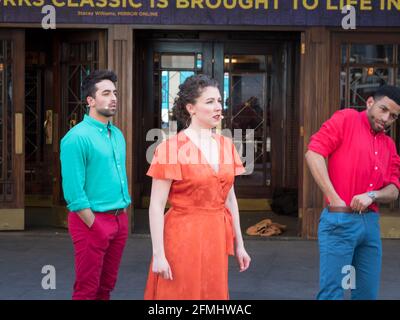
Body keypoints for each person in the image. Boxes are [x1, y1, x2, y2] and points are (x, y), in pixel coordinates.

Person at [144, 74, 251, 300]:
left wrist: (239, 244)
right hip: (182, 237)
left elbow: (230, 199)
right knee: (181, 294)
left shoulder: (226, 145)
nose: (218, 108)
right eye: (209, 102)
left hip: (216, 236)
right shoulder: (171, 148)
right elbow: (156, 205)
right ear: (191, 108)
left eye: (220, 101)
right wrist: (159, 254)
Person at [305, 85, 400, 300]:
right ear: (369, 103)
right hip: (340, 220)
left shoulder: (389, 145)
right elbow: (314, 153)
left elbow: (394, 190)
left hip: (370, 225)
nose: (386, 118)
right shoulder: (346, 119)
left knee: (366, 294)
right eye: (383, 109)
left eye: (393, 116)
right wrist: (335, 199)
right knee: (333, 293)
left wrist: (373, 195)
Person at [60, 70, 131, 300]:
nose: (113, 98)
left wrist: (123, 216)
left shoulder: (117, 135)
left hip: (119, 220)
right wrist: (94, 224)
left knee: (107, 285)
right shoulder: (76, 137)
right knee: (87, 289)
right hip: (91, 220)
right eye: (106, 93)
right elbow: (73, 192)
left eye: (115, 93)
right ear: (90, 100)